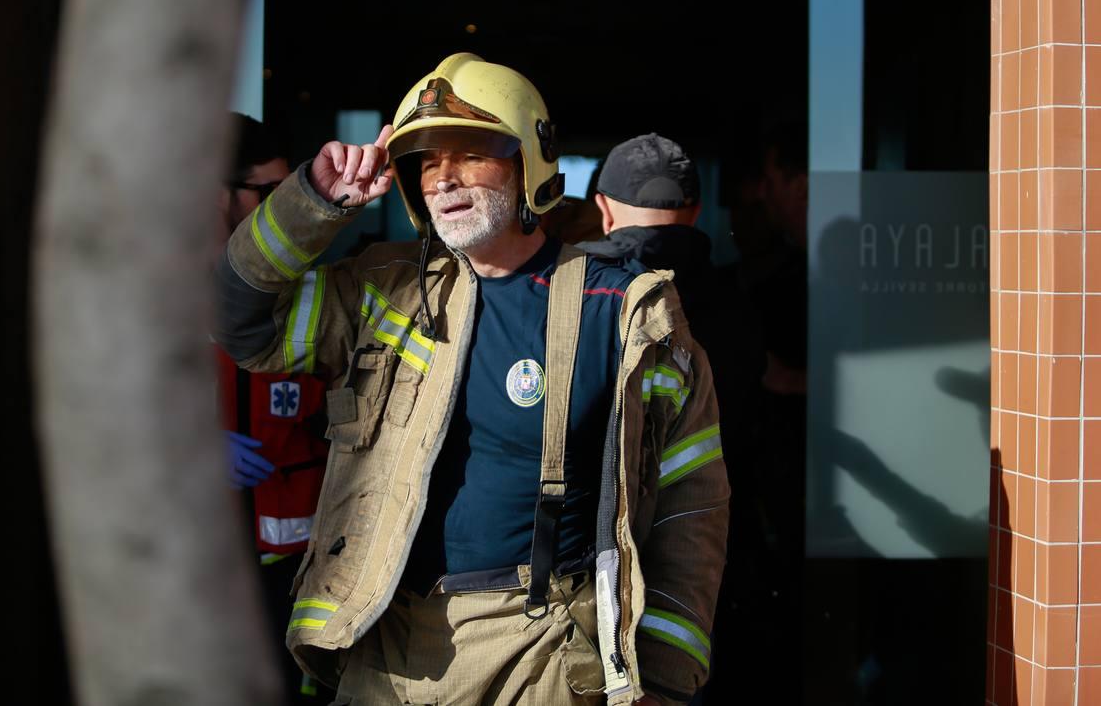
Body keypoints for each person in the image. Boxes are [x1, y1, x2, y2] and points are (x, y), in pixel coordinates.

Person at [214, 53, 729, 706]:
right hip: (386, 642)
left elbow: (693, 503)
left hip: (540, 656)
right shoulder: (385, 290)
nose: (444, 179)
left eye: (469, 153)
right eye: (426, 161)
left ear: (529, 161)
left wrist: (663, 679)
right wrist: (310, 203)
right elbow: (242, 321)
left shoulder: (624, 313)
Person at [577, 134, 766, 703]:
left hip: (597, 575)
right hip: (719, 557)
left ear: (603, 209)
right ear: (698, 214)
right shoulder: (738, 301)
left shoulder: (578, 296)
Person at [215, 114, 332, 702]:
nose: (283, 211)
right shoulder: (148, 293)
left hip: (299, 572)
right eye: (268, 195)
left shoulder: (312, 289)